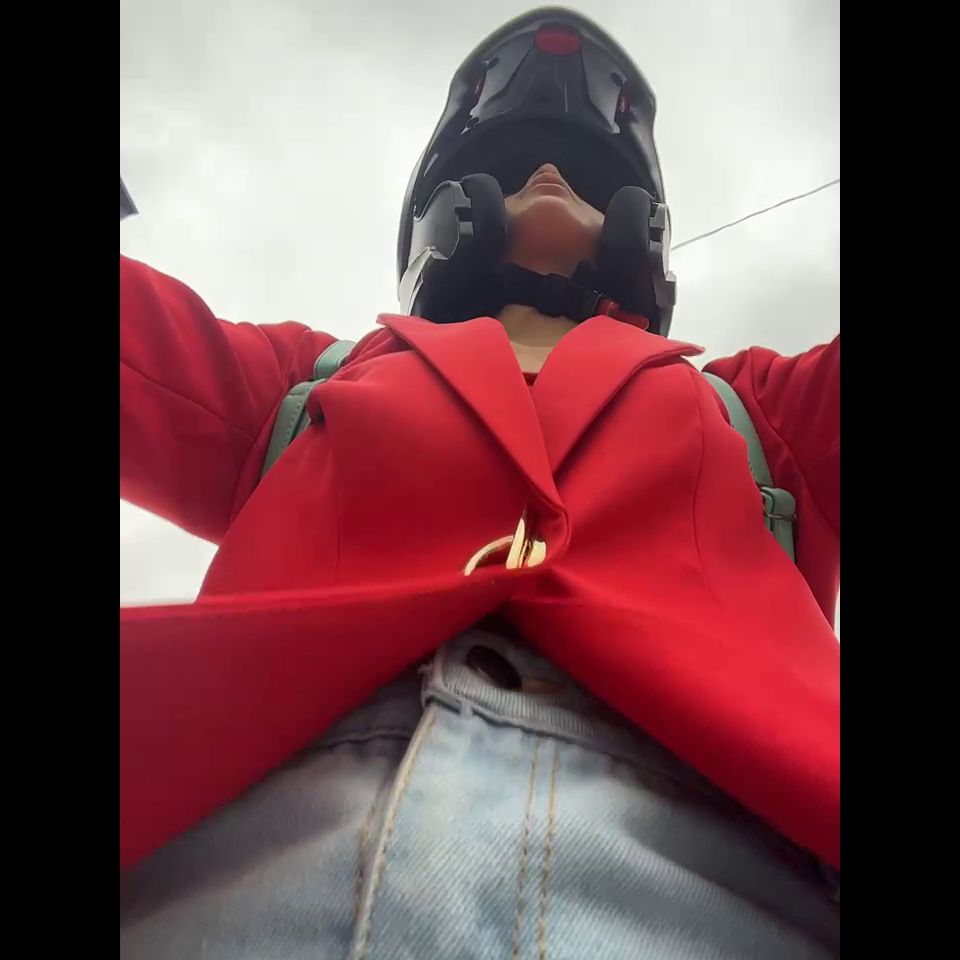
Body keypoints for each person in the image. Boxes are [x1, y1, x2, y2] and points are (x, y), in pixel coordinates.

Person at [120, 8, 839, 958]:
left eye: (588, 179)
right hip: (243, 852)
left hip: (730, 865)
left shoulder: (758, 412)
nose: (548, 175)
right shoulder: (312, 379)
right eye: (511, 171)